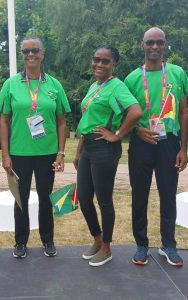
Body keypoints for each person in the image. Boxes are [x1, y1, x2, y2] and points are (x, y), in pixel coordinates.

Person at [124, 27, 188, 267]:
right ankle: (141, 245)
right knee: (139, 195)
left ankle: (169, 245)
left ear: (165, 45)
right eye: (150, 42)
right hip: (141, 142)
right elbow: (125, 116)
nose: (154, 47)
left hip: (168, 142)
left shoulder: (177, 73)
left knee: (168, 195)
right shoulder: (131, 78)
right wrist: (136, 130)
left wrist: (183, 148)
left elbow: (184, 112)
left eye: (159, 43)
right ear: (142, 45)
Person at [0, 37, 71, 258]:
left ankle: (48, 241)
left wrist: (60, 153)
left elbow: (61, 122)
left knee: (45, 197)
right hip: (19, 153)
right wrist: (5, 154)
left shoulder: (54, 84)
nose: (30, 54)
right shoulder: (10, 84)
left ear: (43, 54)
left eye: (35, 50)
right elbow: (3, 121)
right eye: (26, 51)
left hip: (47, 153)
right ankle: (20, 242)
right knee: (20, 200)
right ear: (22, 54)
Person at [74, 45, 142, 267]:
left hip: (105, 149)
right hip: (88, 148)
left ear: (114, 65)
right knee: (84, 198)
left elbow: (135, 111)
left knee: (104, 200)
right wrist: (78, 151)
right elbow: (88, 120)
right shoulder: (95, 86)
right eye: (96, 59)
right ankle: (97, 238)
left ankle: (107, 247)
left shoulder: (116, 86)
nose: (99, 64)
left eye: (105, 61)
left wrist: (118, 135)